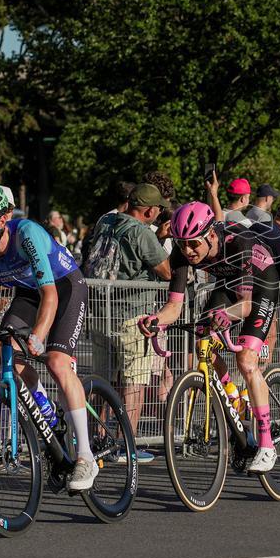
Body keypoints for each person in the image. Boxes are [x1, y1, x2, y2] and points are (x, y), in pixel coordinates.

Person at [0, 184, 97, 490]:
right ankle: (47, 410)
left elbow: (50, 295)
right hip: (29, 293)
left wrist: (39, 336)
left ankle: (86, 457)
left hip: (64, 288)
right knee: (6, 352)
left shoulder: (27, 234)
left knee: (56, 361)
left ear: (3, 219)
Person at [142, 201, 280, 472]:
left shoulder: (237, 243)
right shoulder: (183, 254)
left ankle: (267, 445)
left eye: (194, 244)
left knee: (246, 359)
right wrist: (156, 320)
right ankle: (233, 396)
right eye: (182, 245)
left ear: (212, 236)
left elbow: (245, 305)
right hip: (228, 286)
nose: (188, 251)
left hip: (261, 286)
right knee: (202, 343)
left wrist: (227, 317)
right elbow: (174, 306)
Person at [84, 183, 172, 463]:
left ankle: (97, 441)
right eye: (157, 210)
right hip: (133, 317)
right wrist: (162, 240)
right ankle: (126, 447)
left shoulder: (106, 221)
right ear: (148, 210)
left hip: (100, 314)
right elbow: (166, 271)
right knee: (134, 385)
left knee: (102, 381)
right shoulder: (141, 233)